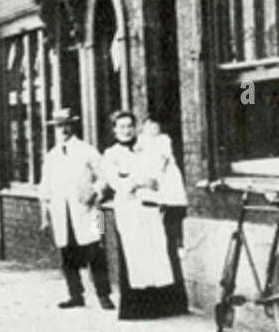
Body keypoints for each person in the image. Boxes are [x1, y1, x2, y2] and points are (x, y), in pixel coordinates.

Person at [102, 111, 182, 319]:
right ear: (114, 130)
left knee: (155, 254)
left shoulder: (146, 148)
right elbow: (117, 184)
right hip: (128, 210)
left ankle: (160, 305)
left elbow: (158, 174)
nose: (126, 130)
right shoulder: (111, 154)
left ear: (135, 127)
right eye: (121, 127)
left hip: (149, 206)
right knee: (134, 256)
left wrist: (138, 178)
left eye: (129, 126)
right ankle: (136, 308)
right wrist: (138, 180)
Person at [39, 108, 114, 310]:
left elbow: (106, 176)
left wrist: (95, 190)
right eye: (58, 126)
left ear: (73, 126)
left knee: (97, 251)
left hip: (93, 210)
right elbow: (45, 188)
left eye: (66, 125)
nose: (63, 130)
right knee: (67, 254)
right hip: (62, 212)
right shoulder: (52, 156)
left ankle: (104, 295)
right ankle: (75, 295)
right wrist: (45, 217)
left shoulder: (87, 150)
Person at [138, 120, 190, 316]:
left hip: (166, 200)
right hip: (144, 203)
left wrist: (155, 181)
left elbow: (160, 164)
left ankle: (175, 301)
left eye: (156, 125)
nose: (152, 128)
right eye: (148, 125)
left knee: (168, 248)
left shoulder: (162, 143)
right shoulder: (138, 145)